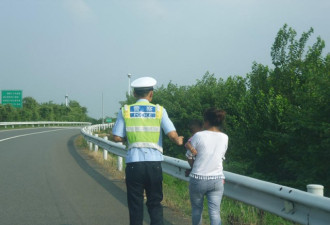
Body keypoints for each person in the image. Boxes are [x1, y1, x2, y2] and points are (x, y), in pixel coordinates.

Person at [112, 76, 184, 225]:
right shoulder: (159, 110)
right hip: (154, 164)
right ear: (151, 94)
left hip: (134, 164)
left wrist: (127, 139)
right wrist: (178, 140)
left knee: (135, 205)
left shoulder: (125, 110)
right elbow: (172, 134)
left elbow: (117, 137)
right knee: (155, 204)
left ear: (134, 94)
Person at [186, 108, 228, 225]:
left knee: (197, 210)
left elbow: (189, 156)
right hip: (217, 179)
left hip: (198, 178)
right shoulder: (225, 137)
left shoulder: (198, 135)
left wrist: (193, 167)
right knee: (215, 212)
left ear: (207, 121)